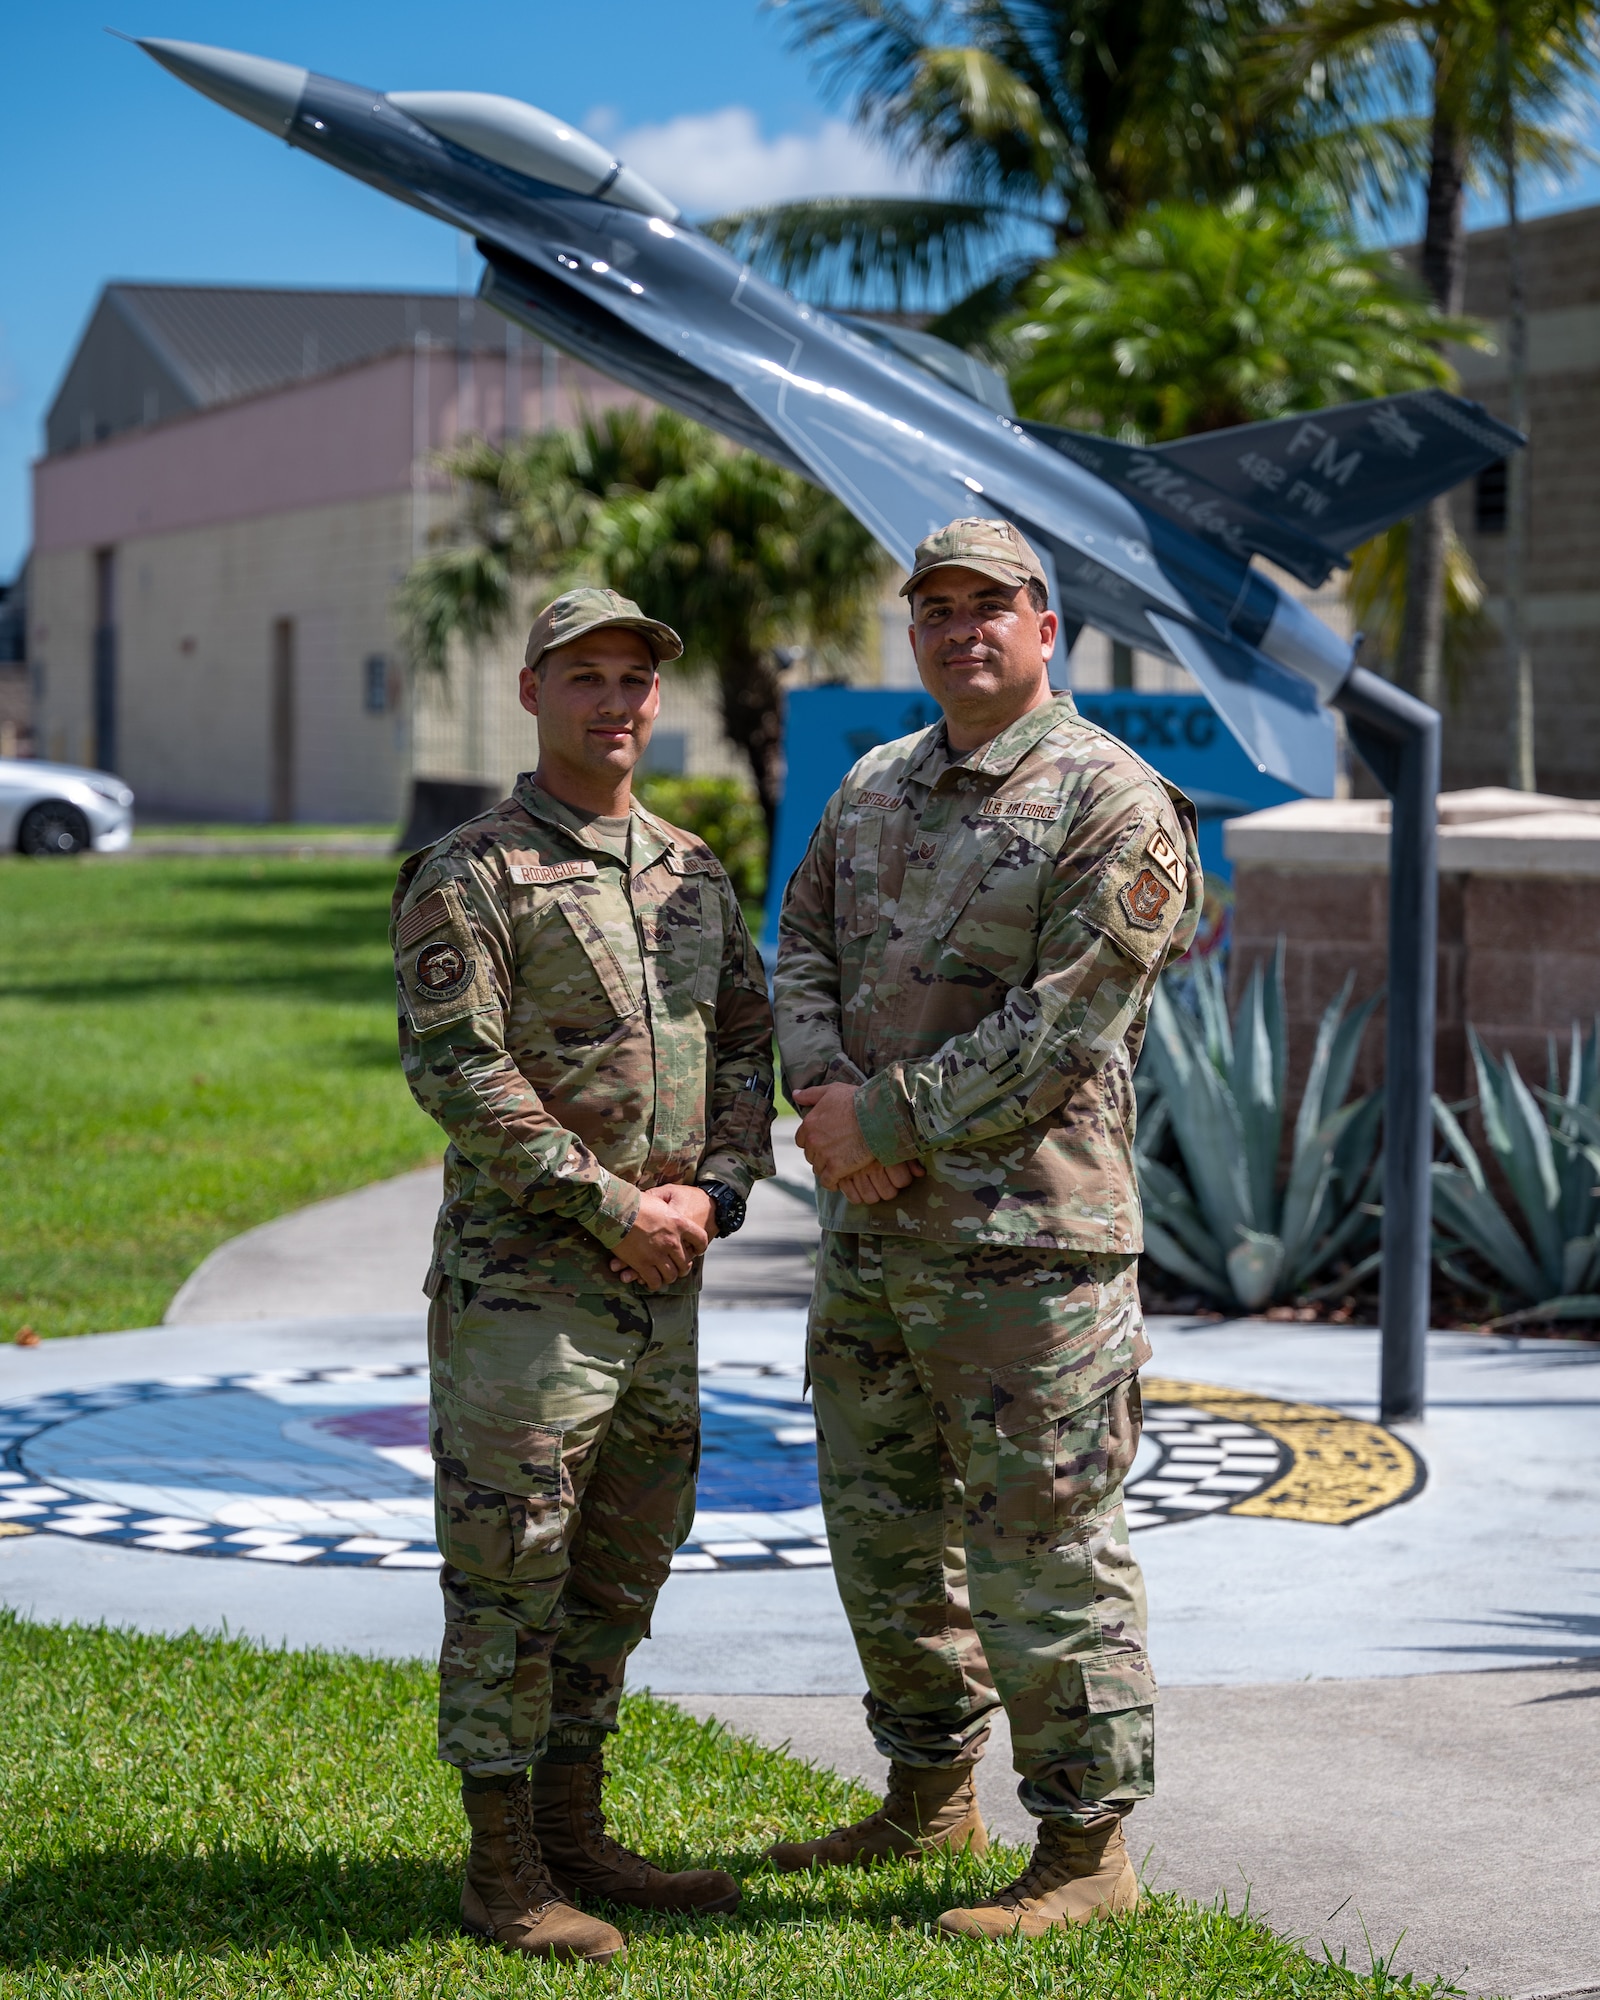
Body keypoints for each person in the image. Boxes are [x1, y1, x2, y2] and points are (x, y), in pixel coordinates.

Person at [771, 519, 1202, 1938]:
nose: (962, 629)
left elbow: (1065, 1024)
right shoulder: (873, 787)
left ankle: (1086, 1848)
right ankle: (927, 1792)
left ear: (1045, 627)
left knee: (1045, 1544)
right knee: (884, 1531)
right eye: (936, 608)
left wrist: (880, 1129)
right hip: (878, 1243)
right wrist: (825, 1096)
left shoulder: (1115, 802)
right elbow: (805, 949)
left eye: (991, 607)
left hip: (1033, 1250)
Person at [391, 586, 775, 1964]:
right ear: (532, 693)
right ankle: (502, 1872)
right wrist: (609, 1204)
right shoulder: (472, 870)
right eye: (586, 677)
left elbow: (746, 1043)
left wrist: (715, 1194)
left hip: (664, 1279)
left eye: (635, 679)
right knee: (513, 1569)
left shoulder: (691, 868)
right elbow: (459, 1067)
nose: (615, 700)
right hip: (528, 1291)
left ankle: (574, 1830)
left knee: (621, 1565)